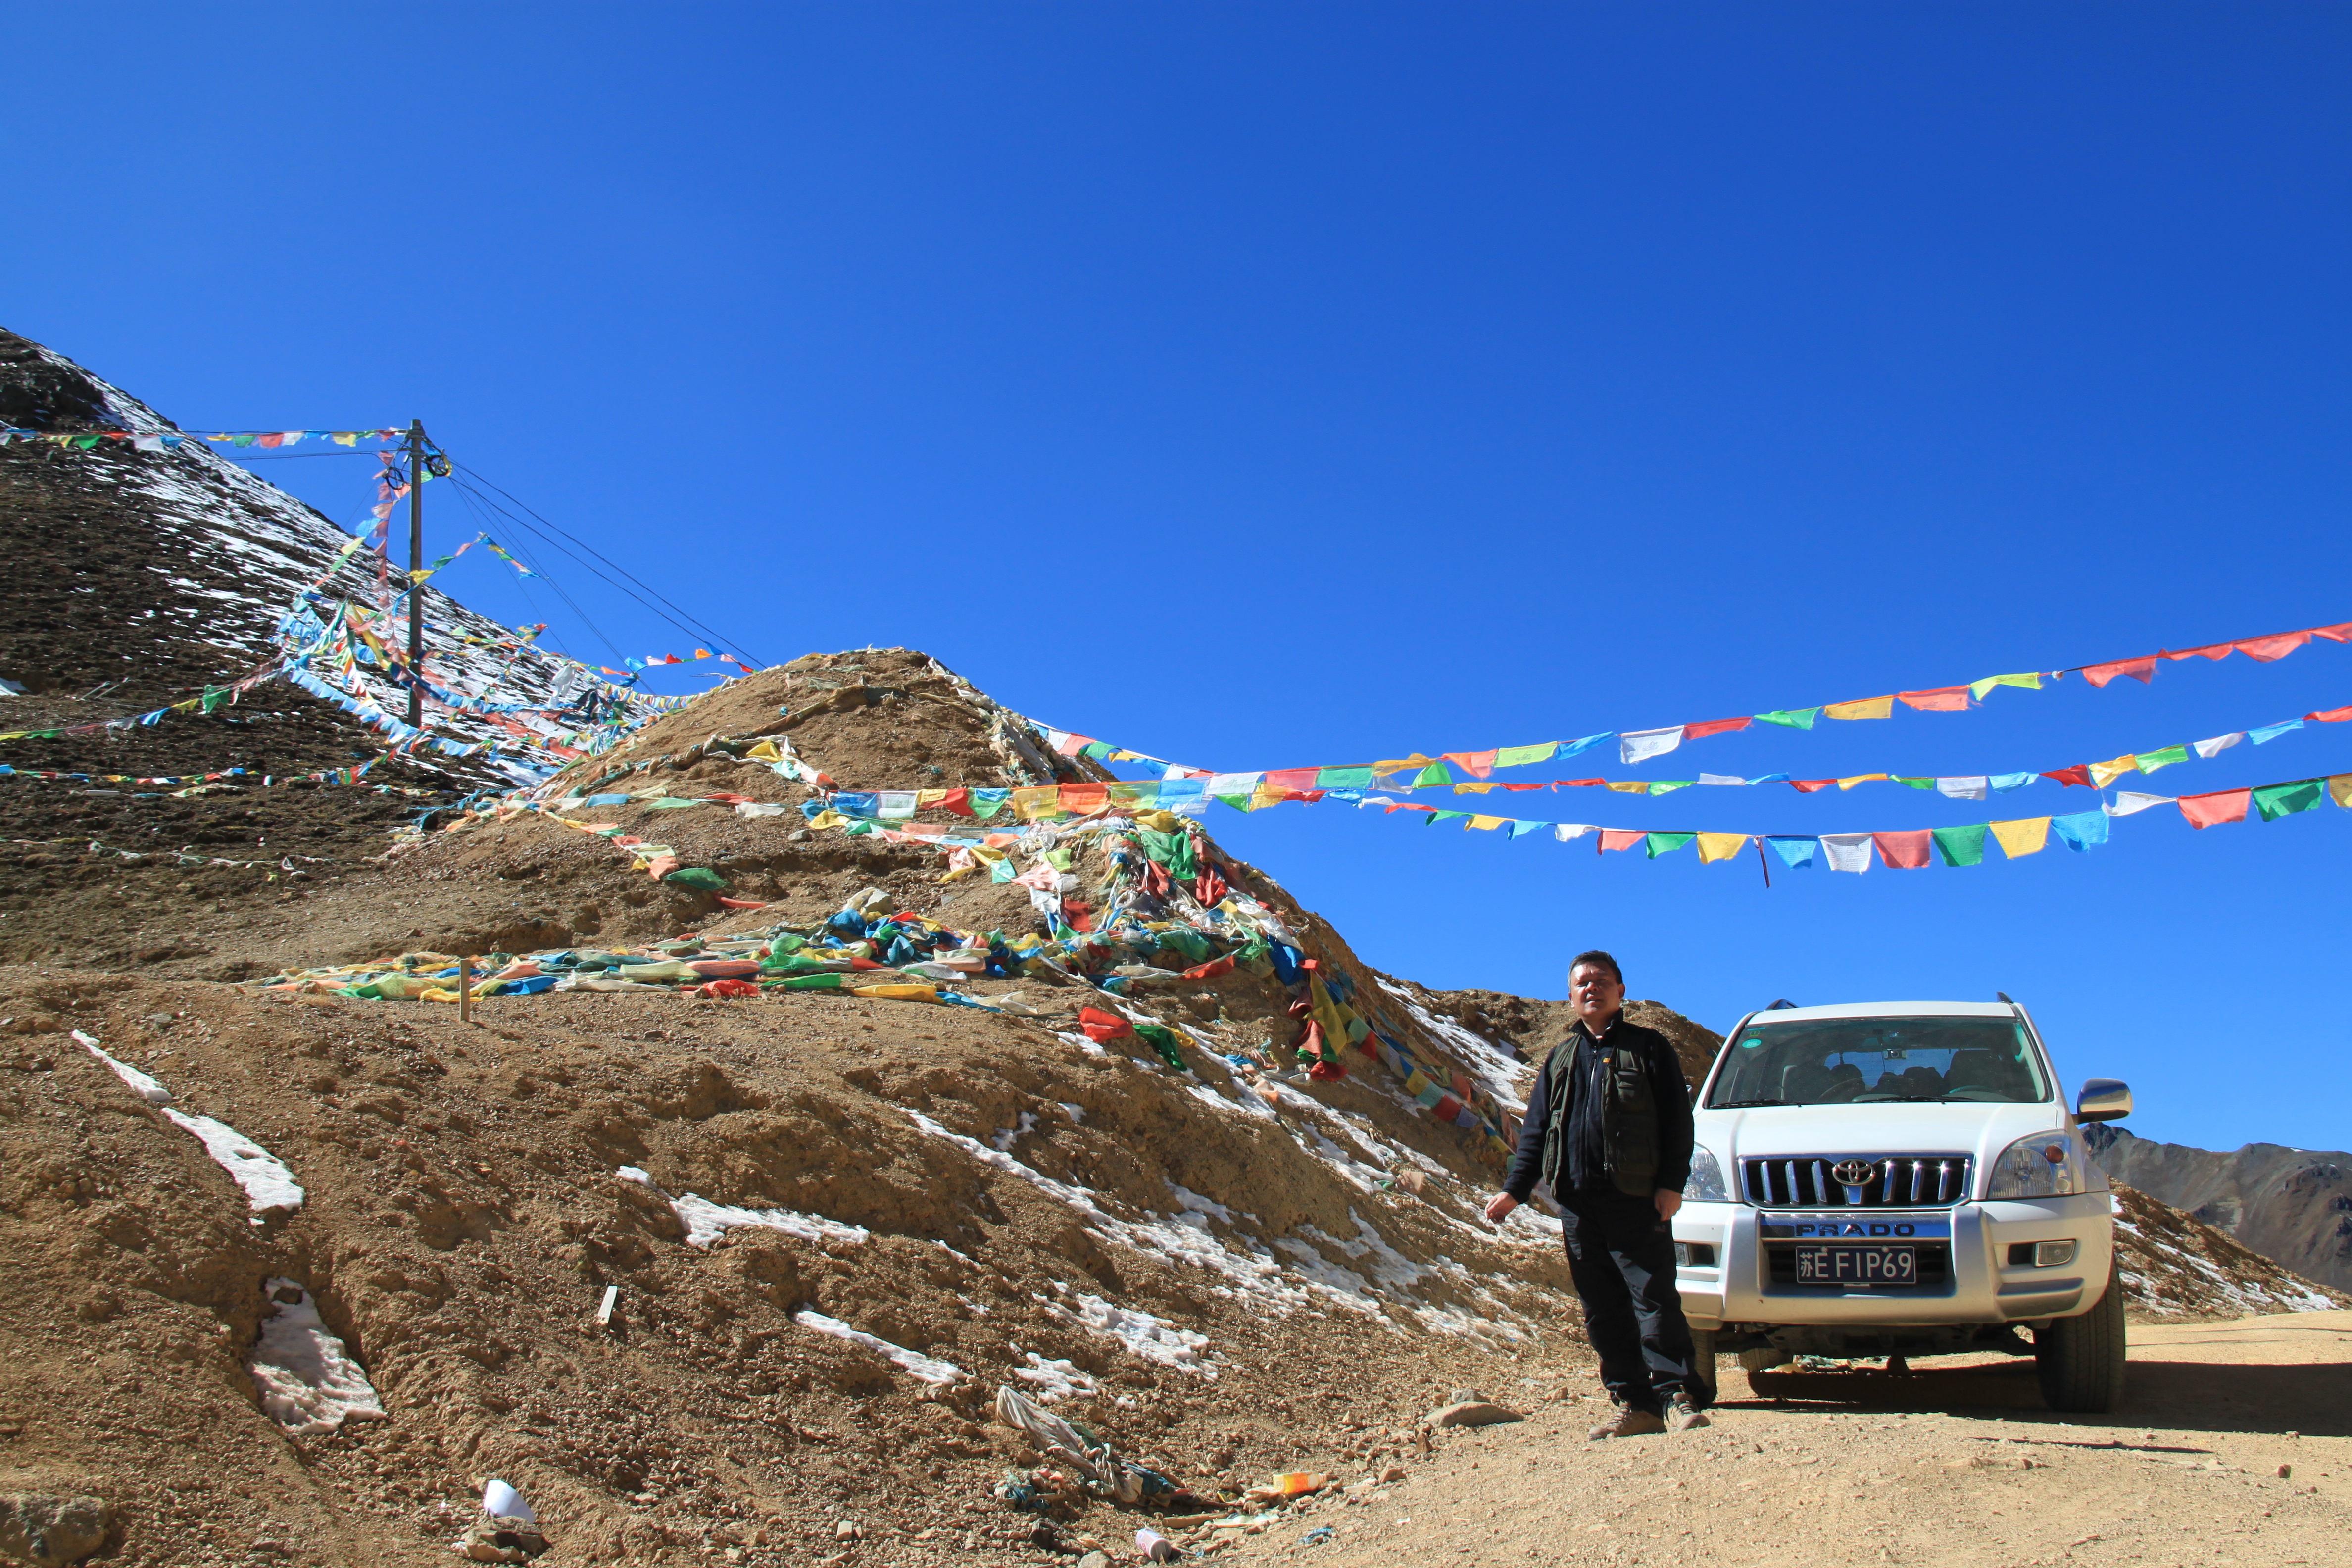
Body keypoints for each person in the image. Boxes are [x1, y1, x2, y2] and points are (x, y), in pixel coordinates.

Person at [1485, 950, 1708, 1437]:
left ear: (1621, 991)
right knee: (1603, 1311)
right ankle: (1636, 1404)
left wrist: (1672, 1184)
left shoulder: (1649, 1048)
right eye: (1582, 983)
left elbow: (1678, 1121)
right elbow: (1538, 1131)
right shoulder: (1560, 1059)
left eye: (1602, 981)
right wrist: (1514, 1192)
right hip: (1579, 1209)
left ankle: (1676, 1398)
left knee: (1653, 1299)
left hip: (1637, 1201)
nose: (1592, 988)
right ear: (1570, 998)